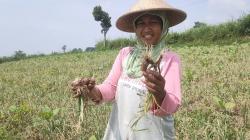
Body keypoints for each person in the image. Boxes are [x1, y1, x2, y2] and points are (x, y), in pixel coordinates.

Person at [71, 0, 186, 139]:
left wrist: (160, 94)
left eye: (154, 22)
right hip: (121, 130)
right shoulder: (125, 54)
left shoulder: (169, 59)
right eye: (141, 23)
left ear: (164, 25)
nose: (147, 28)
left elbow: (173, 105)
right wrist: (92, 91)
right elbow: (111, 87)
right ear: (135, 28)